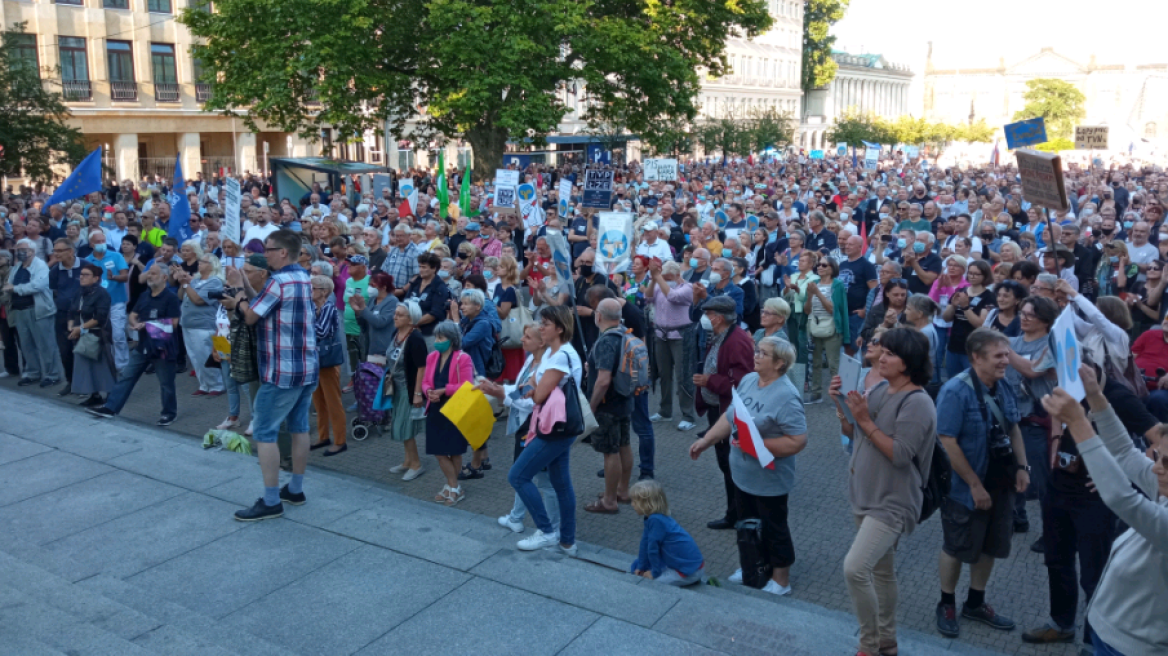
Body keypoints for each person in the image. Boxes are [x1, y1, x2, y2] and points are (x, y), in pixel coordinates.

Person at [1040, 374, 1168, 656]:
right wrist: (1097, 397)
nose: (1156, 468)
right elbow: (1124, 451)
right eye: (1157, 456)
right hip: (1113, 635)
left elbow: (1123, 499)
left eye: (1166, 463)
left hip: (1132, 647)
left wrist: (1078, 422)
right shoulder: (1165, 485)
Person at [832, 327, 937, 656]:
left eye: (890, 353)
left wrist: (863, 420)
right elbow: (853, 431)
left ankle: (869, 644)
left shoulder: (917, 403)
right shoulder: (882, 390)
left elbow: (900, 454)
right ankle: (887, 641)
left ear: (907, 363)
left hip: (892, 502)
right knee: (881, 570)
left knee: (855, 568)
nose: (881, 356)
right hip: (864, 493)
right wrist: (841, 404)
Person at [689, 335, 806, 595]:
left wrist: (759, 445)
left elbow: (798, 441)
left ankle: (781, 580)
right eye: (757, 350)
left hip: (769, 478)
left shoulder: (787, 396)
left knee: (774, 527)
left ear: (779, 364)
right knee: (746, 523)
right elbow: (731, 416)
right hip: (741, 473)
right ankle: (751, 565)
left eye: (762, 353)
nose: (756, 355)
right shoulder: (750, 380)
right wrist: (707, 440)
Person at [934, 328, 1031, 639]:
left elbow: (1014, 428)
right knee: (956, 545)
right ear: (976, 357)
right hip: (965, 488)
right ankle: (946, 603)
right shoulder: (954, 391)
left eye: (1007, 354)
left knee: (990, 545)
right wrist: (975, 485)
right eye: (999, 355)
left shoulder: (1004, 385)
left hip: (1000, 483)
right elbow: (947, 440)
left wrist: (1022, 467)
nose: (1007, 361)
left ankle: (975, 602)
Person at [231, 230, 320, 522]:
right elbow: (267, 304)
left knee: (264, 432)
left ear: (283, 252)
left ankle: (271, 500)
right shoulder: (303, 277)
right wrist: (244, 285)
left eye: (268, 249)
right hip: (306, 367)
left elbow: (251, 316)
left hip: (281, 371)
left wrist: (237, 298)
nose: (264, 254)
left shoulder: (278, 281)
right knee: (299, 427)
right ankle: (295, 489)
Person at [508, 304, 581, 555]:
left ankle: (547, 531)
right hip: (557, 426)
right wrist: (535, 387)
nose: (541, 327)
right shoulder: (556, 353)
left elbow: (538, 395)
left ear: (559, 328)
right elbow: (537, 388)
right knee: (561, 484)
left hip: (553, 427)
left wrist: (534, 387)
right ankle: (567, 540)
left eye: (546, 324)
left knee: (517, 476)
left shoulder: (560, 356)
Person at [480, 323, 560, 534]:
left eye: (527, 337)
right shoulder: (531, 361)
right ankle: (517, 516)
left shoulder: (545, 367)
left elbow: (531, 401)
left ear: (541, 342)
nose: (522, 340)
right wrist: (498, 389)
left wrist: (501, 396)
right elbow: (519, 391)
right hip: (527, 426)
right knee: (524, 474)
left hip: (536, 427)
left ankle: (552, 527)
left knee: (541, 480)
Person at [88, 264, 180, 425]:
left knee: (166, 383)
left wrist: (147, 325)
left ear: (164, 277)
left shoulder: (170, 298)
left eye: (153, 274)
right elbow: (133, 314)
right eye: (149, 273)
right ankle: (111, 408)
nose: (149, 276)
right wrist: (135, 322)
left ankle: (169, 413)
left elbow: (173, 323)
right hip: (143, 345)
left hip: (162, 347)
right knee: (127, 376)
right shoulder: (145, 295)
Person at [693, 295, 756, 530]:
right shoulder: (720, 335)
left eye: (708, 314)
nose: (705, 319)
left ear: (718, 317)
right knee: (726, 464)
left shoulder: (736, 340)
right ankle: (735, 512)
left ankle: (739, 515)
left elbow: (742, 381)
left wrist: (710, 381)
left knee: (732, 465)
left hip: (728, 412)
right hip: (718, 409)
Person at [584, 298, 636, 514]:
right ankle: (622, 491)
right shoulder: (626, 334)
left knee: (610, 451)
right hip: (625, 398)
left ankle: (609, 500)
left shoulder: (606, 340)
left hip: (608, 403)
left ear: (599, 316)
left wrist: (592, 406)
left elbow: (603, 380)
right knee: (624, 445)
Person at [422, 320, 475, 506]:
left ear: (452, 339)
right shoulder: (432, 357)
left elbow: (467, 386)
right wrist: (428, 391)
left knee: (454, 451)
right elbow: (426, 381)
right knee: (439, 452)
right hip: (436, 409)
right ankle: (454, 486)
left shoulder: (463, 358)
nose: (437, 340)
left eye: (441, 337)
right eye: (436, 336)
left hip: (455, 410)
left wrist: (445, 390)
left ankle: (452, 487)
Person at [214, 254, 267, 434]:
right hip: (225, 341)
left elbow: (248, 320)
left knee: (248, 386)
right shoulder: (238, 294)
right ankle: (233, 416)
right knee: (230, 384)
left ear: (263, 273)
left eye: (248, 272)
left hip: (249, 350)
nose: (245, 275)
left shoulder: (266, 293)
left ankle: (255, 418)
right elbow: (228, 321)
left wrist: (238, 293)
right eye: (243, 271)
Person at [647, 259, 697, 431]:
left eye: (667, 277)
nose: (664, 279)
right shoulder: (659, 284)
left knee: (683, 375)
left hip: (680, 335)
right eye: (663, 276)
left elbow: (673, 296)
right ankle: (665, 410)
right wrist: (654, 279)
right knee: (664, 374)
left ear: (677, 275)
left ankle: (688, 414)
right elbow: (648, 296)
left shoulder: (687, 288)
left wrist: (658, 277)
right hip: (661, 334)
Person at [6, 239, 62, 387]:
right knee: (26, 345)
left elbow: (37, 285)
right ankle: (33, 373)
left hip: (39, 310)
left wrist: (16, 289)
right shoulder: (17, 267)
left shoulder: (41, 266)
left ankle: (52, 374)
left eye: (23, 249)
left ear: (32, 251)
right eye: (18, 249)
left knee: (46, 344)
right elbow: (8, 284)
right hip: (19, 311)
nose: (20, 252)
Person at [628, 480, 706, 587]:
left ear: (647, 504)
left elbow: (652, 550)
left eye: (634, 502)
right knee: (636, 565)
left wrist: (654, 573)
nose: (632, 504)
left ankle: (689, 580)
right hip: (687, 564)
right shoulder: (652, 518)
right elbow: (644, 543)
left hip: (689, 571)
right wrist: (641, 567)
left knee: (652, 584)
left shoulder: (656, 521)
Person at [386, 301, 429, 480]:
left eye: (400, 314)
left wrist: (418, 393)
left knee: (405, 426)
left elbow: (421, 367)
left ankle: (416, 464)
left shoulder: (415, 338)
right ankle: (407, 461)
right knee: (400, 423)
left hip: (408, 388)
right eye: (395, 313)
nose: (395, 317)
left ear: (411, 319)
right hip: (396, 386)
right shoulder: (396, 334)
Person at [68, 262, 117, 408]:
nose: (82, 277)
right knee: (86, 366)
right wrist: (71, 327)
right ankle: (94, 395)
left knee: (102, 366)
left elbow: (99, 317)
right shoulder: (80, 292)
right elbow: (71, 311)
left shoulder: (102, 294)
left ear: (96, 278)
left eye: (86, 275)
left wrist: (80, 328)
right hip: (81, 333)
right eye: (81, 274)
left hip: (98, 335)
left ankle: (111, 395)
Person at [177, 250, 226, 396]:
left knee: (204, 355)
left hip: (203, 324)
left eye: (203, 262)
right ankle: (204, 385)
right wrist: (183, 283)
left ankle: (216, 385)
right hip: (188, 323)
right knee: (194, 357)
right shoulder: (196, 280)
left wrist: (186, 285)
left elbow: (199, 300)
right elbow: (181, 296)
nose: (199, 264)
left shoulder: (215, 282)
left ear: (212, 265)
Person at [309, 275, 347, 456]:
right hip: (315, 360)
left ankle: (340, 440)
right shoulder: (312, 308)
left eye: (313, 288)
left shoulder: (329, 308)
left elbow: (322, 331)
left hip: (328, 361)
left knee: (333, 402)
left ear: (324, 291)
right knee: (318, 401)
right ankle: (323, 436)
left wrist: (304, 323)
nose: (309, 291)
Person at [805, 256, 849, 405]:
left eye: (824, 265)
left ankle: (839, 397)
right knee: (815, 363)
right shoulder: (814, 284)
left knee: (833, 364)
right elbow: (806, 310)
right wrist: (810, 296)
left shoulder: (837, 285)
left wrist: (817, 292)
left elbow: (833, 309)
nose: (820, 267)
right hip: (815, 326)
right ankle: (816, 395)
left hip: (832, 327)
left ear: (832, 268)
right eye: (818, 265)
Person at [84, 230, 130, 372]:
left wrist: (114, 278)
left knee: (118, 335)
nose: (102, 244)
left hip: (116, 302)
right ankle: (105, 363)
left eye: (103, 241)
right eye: (98, 242)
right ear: (91, 244)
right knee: (100, 335)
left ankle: (122, 366)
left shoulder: (116, 256)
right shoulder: (87, 261)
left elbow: (125, 276)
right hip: (97, 305)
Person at [943, 260, 995, 379]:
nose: (972, 276)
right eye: (970, 273)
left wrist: (966, 307)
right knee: (952, 379)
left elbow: (981, 324)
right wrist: (953, 306)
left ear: (985, 276)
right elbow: (946, 318)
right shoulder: (960, 291)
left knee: (971, 381)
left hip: (973, 348)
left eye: (976, 274)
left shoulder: (989, 297)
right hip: (954, 345)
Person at [49, 238, 84, 396]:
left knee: (82, 351)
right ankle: (70, 382)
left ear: (70, 251)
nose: (55, 254)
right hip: (62, 315)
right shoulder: (55, 270)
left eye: (59, 251)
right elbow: (54, 290)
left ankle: (84, 384)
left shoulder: (85, 266)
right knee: (65, 351)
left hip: (81, 316)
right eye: (54, 251)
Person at [783, 250, 819, 397]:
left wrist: (797, 289)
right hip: (791, 312)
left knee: (802, 344)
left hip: (803, 313)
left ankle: (803, 379)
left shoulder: (815, 278)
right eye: (799, 260)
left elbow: (808, 297)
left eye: (803, 261)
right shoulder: (794, 276)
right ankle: (793, 377)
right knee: (792, 344)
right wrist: (787, 288)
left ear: (811, 264)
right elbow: (784, 295)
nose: (799, 263)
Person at [403, 252, 452, 348]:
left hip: (429, 333)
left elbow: (435, 313)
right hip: (410, 330)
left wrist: (414, 323)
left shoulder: (439, 287)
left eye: (424, 267)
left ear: (434, 268)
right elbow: (405, 303)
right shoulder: (415, 283)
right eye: (420, 267)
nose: (420, 270)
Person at [341, 254, 373, 369]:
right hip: (348, 326)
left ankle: (365, 382)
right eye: (349, 263)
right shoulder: (349, 281)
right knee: (352, 355)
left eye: (354, 264)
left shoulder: (370, 281)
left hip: (362, 328)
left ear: (363, 267)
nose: (349, 266)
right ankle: (354, 380)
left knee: (363, 356)